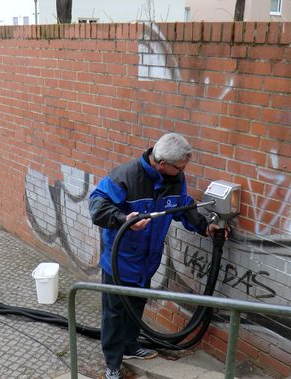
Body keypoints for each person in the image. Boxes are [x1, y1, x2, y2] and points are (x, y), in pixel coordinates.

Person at [89, 133, 225, 379]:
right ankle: (112, 362)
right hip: (120, 262)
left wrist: (204, 226)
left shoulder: (175, 178)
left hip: (146, 262)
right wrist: (123, 219)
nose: (183, 171)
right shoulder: (125, 177)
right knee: (115, 313)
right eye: (180, 167)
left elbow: (182, 206)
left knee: (137, 305)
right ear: (162, 164)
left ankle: (130, 347)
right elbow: (97, 204)